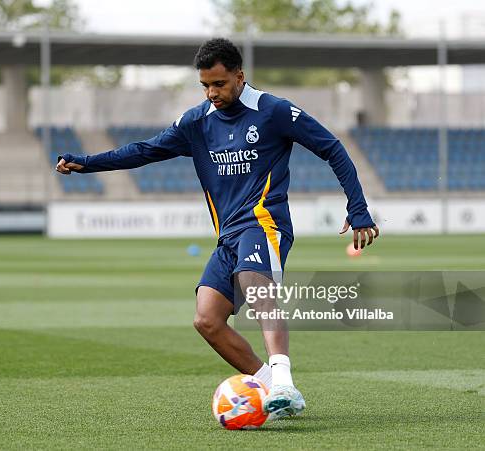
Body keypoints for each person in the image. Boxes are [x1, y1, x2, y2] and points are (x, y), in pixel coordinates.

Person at [56, 37, 380, 420]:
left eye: (219, 84)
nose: (212, 93)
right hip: (228, 236)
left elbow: (332, 148)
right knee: (207, 320)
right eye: (205, 85)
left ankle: (283, 382)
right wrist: (87, 163)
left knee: (254, 284)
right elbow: (145, 150)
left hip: (264, 223)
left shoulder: (273, 111)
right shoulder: (197, 122)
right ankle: (270, 390)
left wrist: (358, 209)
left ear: (239, 76)